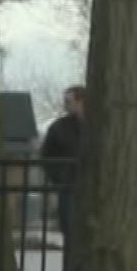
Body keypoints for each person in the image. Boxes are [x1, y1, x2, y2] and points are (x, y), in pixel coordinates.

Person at [39, 86, 85, 244]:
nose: (65, 105)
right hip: (68, 185)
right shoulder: (59, 127)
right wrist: (58, 178)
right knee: (70, 232)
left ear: (81, 102)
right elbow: (46, 155)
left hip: (92, 185)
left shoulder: (99, 126)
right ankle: (68, 268)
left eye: (68, 101)